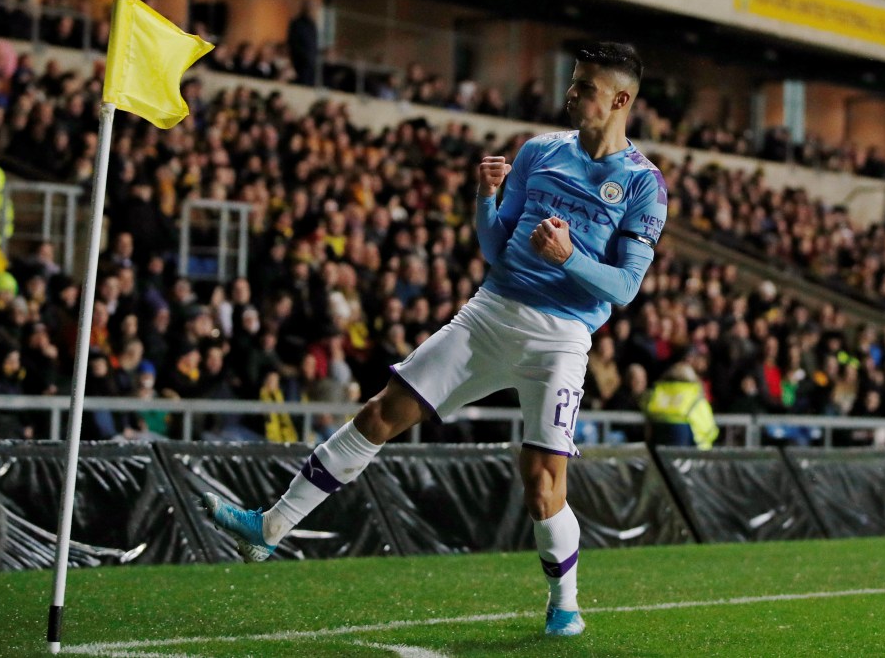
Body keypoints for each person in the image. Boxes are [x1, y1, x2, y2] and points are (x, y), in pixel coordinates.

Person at [203, 42, 667, 638]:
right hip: (491, 312)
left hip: (562, 337)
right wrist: (485, 200)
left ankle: (565, 604)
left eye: (585, 88)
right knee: (381, 412)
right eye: (573, 83)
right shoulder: (539, 152)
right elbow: (496, 246)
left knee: (542, 483)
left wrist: (570, 255)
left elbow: (626, 287)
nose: (571, 95)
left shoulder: (642, 184)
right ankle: (267, 529)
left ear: (621, 100)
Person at [640, 360, 719, 449]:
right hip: (684, 434)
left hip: (657, 431)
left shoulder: (658, 390)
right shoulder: (693, 392)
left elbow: (644, 404)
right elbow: (707, 425)